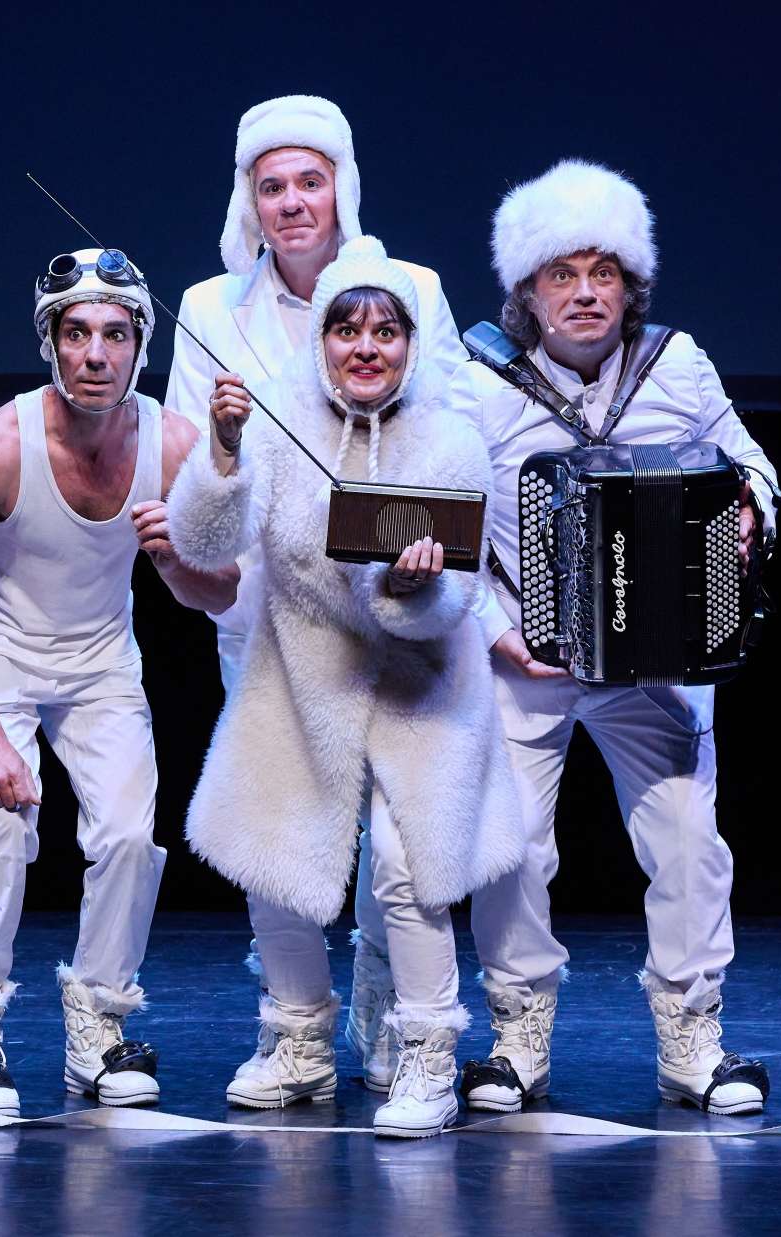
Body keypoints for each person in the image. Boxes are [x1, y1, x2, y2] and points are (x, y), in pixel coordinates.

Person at [443, 161, 781, 1117]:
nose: (586, 293)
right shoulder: (477, 382)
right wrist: (498, 633)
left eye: (604, 273)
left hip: (656, 659)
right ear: (527, 293)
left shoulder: (678, 363)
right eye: (563, 274)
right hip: (526, 654)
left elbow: (752, 462)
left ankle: (692, 1040)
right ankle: (517, 1039)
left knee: (688, 843)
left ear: (632, 287)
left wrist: (750, 510)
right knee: (510, 849)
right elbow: (450, 526)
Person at [166, 237, 523, 1138]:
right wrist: (223, 451)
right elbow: (205, 545)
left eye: (385, 331)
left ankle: (427, 1050)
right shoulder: (275, 419)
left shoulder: (450, 438)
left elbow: (456, 599)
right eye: (346, 329)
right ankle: (299, 1040)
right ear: (320, 338)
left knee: (408, 871)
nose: (366, 347)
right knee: (276, 855)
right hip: (301, 670)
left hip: (422, 684)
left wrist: (409, 586)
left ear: (411, 342)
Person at [0, 247, 237, 1116]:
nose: (96, 354)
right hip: (2, 651)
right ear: (50, 343)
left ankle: (98, 1022)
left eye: (115, 334)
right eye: (77, 333)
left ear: (140, 345)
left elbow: (219, 593)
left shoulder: (173, 444)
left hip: (101, 660)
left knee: (129, 835)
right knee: (1, 825)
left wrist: (177, 556)